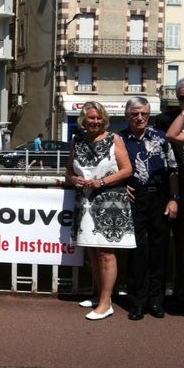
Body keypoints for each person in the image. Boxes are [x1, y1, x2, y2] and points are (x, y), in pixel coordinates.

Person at [66, 101, 135, 321]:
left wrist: (102, 182)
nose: (95, 121)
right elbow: (69, 169)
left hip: (110, 202)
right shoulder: (76, 141)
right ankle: (99, 295)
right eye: (91, 118)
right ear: (83, 120)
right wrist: (73, 178)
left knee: (106, 253)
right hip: (85, 201)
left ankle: (107, 303)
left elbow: (127, 170)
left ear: (104, 119)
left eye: (98, 118)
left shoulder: (115, 139)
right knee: (92, 252)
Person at [120, 97, 179, 321]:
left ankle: (156, 300)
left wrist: (174, 199)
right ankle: (137, 302)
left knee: (159, 250)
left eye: (144, 113)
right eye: (135, 113)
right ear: (127, 115)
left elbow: (173, 170)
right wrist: (120, 185)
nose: (139, 117)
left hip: (160, 197)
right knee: (137, 252)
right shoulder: (119, 140)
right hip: (134, 198)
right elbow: (112, 168)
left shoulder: (161, 138)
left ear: (149, 115)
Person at [165, 76, 184, 310]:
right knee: (182, 238)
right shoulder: (168, 120)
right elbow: (170, 137)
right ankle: (182, 293)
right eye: (183, 97)